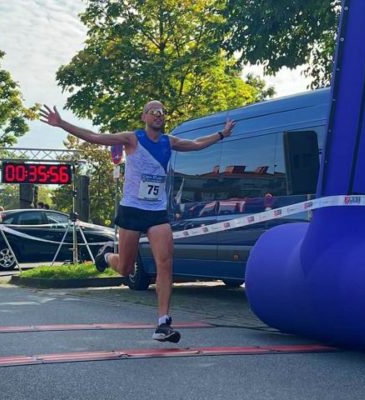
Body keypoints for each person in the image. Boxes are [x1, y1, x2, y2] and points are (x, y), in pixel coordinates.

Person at [40, 101, 235, 343]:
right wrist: (61, 124)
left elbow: (196, 144)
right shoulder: (132, 139)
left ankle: (163, 322)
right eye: (153, 111)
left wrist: (221, 134)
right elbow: (93, 136)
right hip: (132, 209)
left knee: (165, 262)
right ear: (144, 116)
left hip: (157, 211)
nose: (158, 114)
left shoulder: (169, 142)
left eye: (162, 111)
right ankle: (105, 255)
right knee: (125, 267)